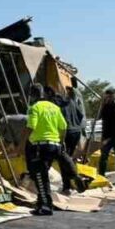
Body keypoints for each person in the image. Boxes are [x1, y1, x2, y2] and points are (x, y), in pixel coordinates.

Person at [25, 82, 66, 216]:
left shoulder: (34, 107)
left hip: (40, 146)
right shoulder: (54, 107)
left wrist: (21, 145)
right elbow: (64, 127)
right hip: (54, 145)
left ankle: (45, 206)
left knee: (40, 176)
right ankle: (42, 202)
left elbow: (31, 126)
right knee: (43, 176)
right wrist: (61, 141)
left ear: (32, 95)